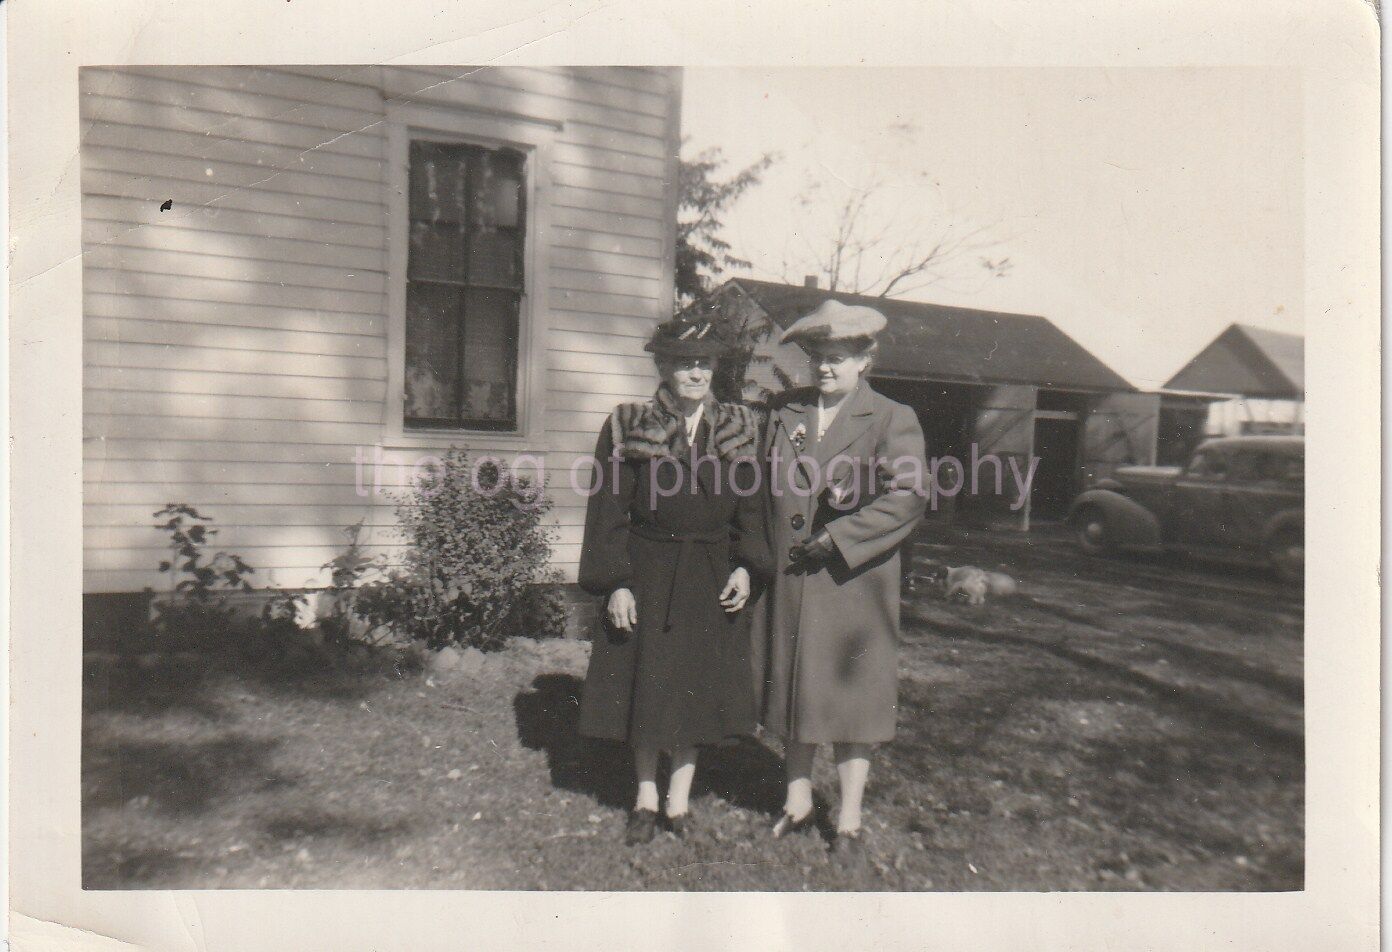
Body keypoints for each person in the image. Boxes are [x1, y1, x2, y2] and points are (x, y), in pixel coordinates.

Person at [576, 318, 772, 845]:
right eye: (684, 362)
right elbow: (608, 509)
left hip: (711, 574)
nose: (695, 372)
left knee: (696, 684)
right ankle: (644, 796)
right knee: (648, 682)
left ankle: (678, 801)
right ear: (661, 367)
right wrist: (616, 581)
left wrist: (747, 567)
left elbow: (752, 509)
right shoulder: (628, 424)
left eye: (704, 363)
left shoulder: (739, 427)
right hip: (648, 570)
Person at [751, 298, 928, 862]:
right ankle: (797, 801)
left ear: (864, 361)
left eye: (839, 359)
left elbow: (909, 496)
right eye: (818, 358)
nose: (825, 369)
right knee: (797, 690)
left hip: (853, 581)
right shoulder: (784, 414)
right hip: (791, 577)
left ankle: (848, 819)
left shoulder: (891, 417)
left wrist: (840, 538)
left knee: (853, 703)